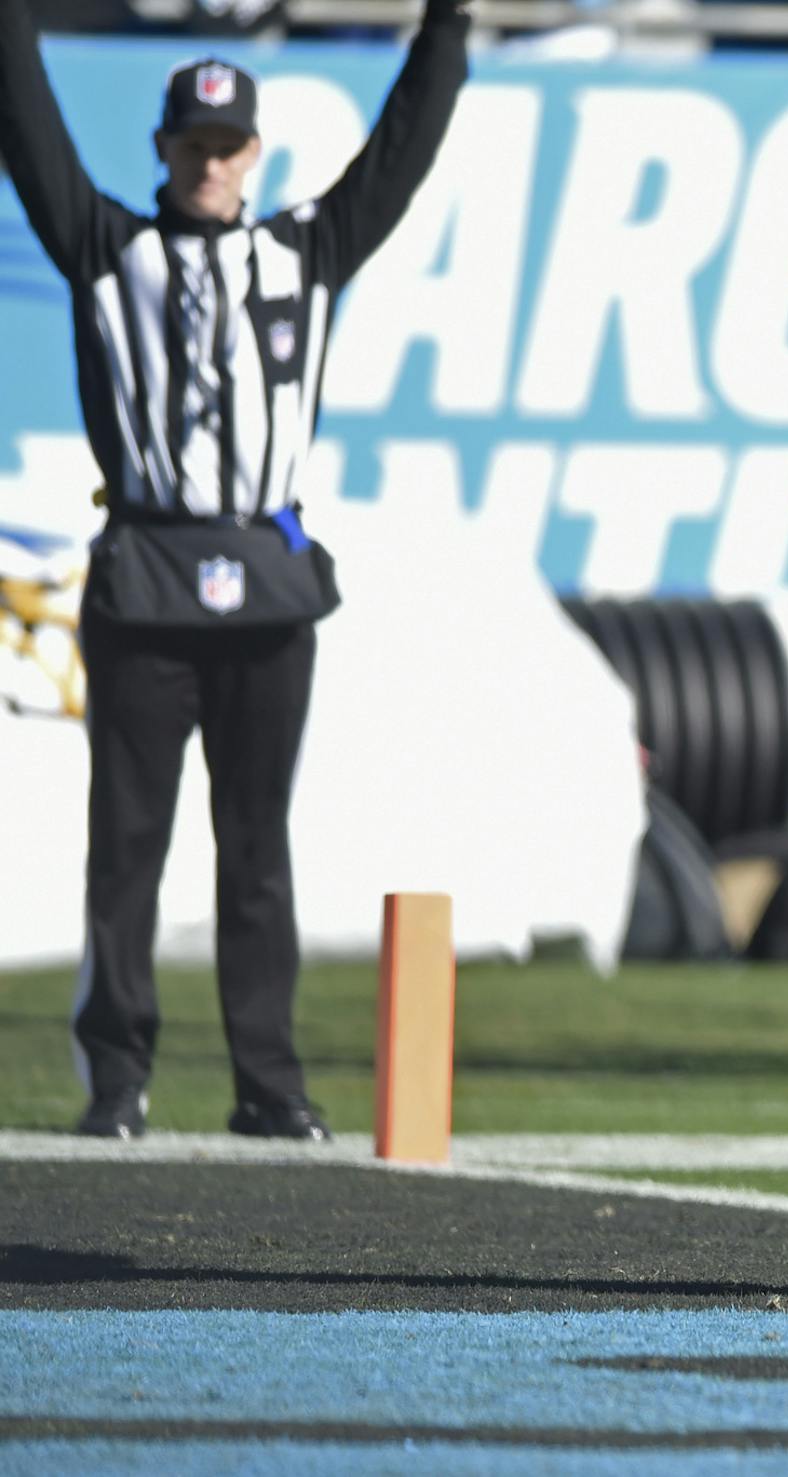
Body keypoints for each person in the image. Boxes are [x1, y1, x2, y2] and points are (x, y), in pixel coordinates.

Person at [0, 0, 474, 1139]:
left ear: (252, 152)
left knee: (257, 846)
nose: (210, 163)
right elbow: (28, 129)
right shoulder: (108, 250)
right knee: (127, 844)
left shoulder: (304, 252)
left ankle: (270, 1080)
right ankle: (118, 1080)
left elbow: (401, 151)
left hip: (266, 578)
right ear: (163, 149)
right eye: (192, 145)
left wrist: (449, 23)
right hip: (145, 572)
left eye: (228, 145)